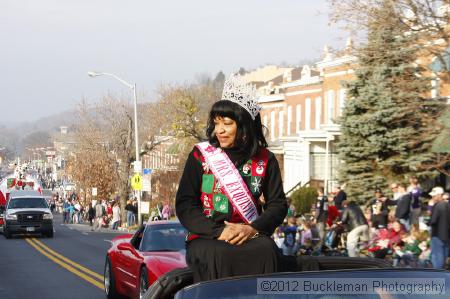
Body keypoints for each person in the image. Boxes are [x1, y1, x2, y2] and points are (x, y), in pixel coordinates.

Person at [176, 74, 288, 282]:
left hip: (250, 234)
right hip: (208, 236)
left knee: (267, 250)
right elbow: (185, 204)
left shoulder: (266, 159)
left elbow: (278, 205)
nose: (219, 130)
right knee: (218, 255)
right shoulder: (200, 155)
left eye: (227, 123)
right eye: (216, 123)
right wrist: (219, 231)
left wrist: (252, 228)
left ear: (244, 126)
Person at [428, 186, 450, 269]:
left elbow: (433, 220)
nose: (432, 197)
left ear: (439, 195)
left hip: (437, 235)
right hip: (447, 235)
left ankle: (437, 275)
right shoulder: (448, 205)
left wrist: (428, 221)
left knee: (437, 256)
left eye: (434, 195)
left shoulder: (437, 206)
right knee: (444, 255)